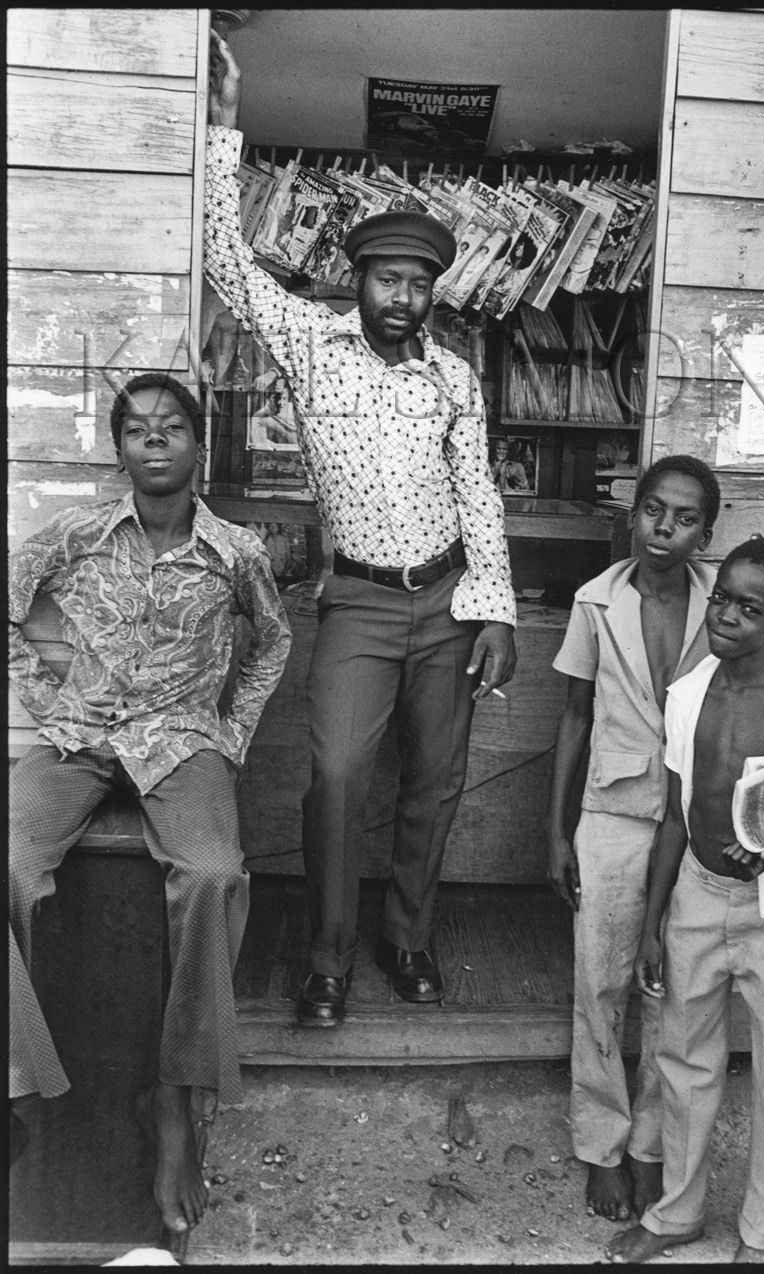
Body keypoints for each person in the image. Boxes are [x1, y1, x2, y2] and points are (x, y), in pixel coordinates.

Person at [206, 32, 517, 1028]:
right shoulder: (310, 341)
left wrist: (495, 611)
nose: (402, 298)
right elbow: (224, 262)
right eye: (388, 279)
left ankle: (409, 940)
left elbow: (479, 494)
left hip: (448, 601)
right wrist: (223, 124)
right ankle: (328, 958)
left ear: (432, 291)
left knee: (434, 782)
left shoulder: (453, 375)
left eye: (418, 284)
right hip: (359, 603)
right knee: (337, 777)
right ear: (361, 278)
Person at [8, 372, 292, 1239]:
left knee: (211, 876)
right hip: (81, 735)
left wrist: (231, 734)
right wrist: (47, 701)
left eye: (172, 427)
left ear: (200, 444)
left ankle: (175, 1102)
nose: (155, 440)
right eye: (138, 429)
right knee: (9, 861)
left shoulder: (236, 551)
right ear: (120, 449)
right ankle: (15, 1082)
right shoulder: (80, 533)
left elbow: (272, 640)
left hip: (181, 744)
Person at [605, 537, 764, 1264]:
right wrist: (653, 925)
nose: (727, 616)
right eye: (721, 599)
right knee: (685, 1064)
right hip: (696, 900)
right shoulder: (687, 695)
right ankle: (678, 1214)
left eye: (750, 609)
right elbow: (675, 818)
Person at [546, 455, 721, 1223]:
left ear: (704, 534)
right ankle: (601, 1144)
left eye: (684, 519)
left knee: (673, 986)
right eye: (653, 510)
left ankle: (651, 1145)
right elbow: (574, 715)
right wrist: (557, 832)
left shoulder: (721, 606)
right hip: (611, 811)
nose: (664, 529)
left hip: (692, 820)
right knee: (602, 981)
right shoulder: (596, 601)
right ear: (632, 514)